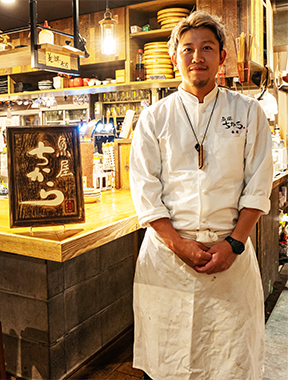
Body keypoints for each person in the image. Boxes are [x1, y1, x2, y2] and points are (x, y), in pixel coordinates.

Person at [129, 11, 272, 380]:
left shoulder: (247, 112)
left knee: (231, 360)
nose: (197, 56)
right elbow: (145, 188)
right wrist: (178, 244)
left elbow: (258, 183)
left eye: (207, 47)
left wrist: (234, 244)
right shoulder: (154, 118)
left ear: (222, 56)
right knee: (168, 361)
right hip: (167, 260)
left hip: (231, 258)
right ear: (175, 57)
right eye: (188, 49)